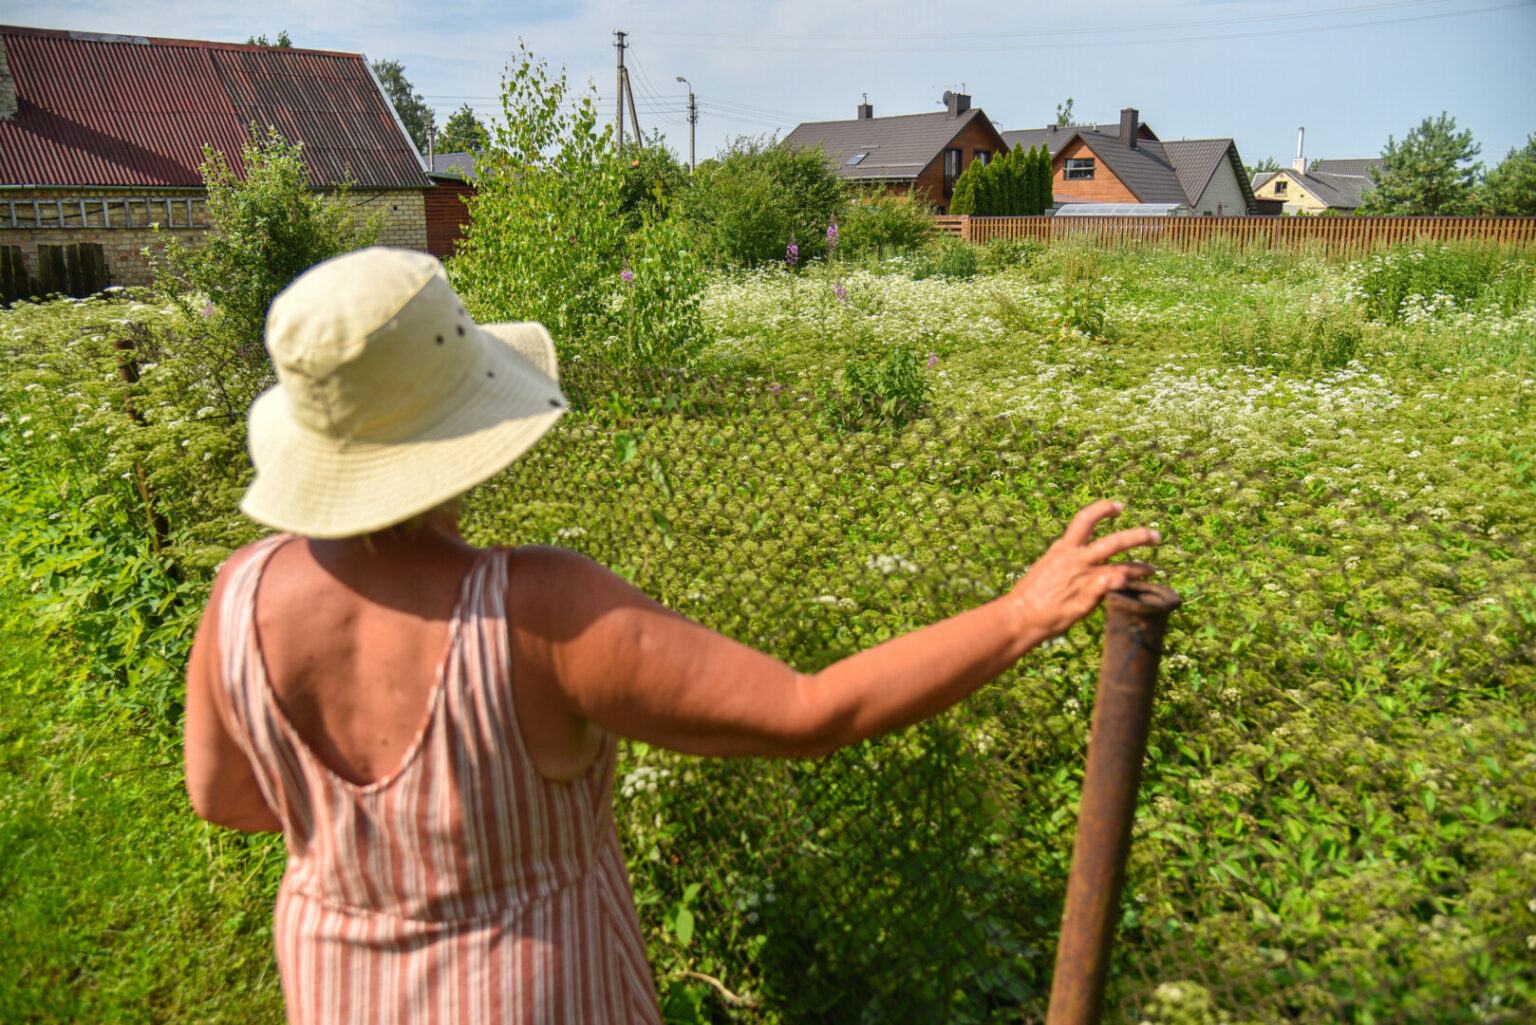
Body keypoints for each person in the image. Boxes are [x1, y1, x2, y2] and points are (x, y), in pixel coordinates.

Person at [183, 247, 1159, 1024]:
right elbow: (807, 712)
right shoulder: (534, 611)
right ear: (460, 431)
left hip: (337, 992)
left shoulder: (238, 595)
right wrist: (1024, 609)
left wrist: (387, 848)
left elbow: (224, 796)